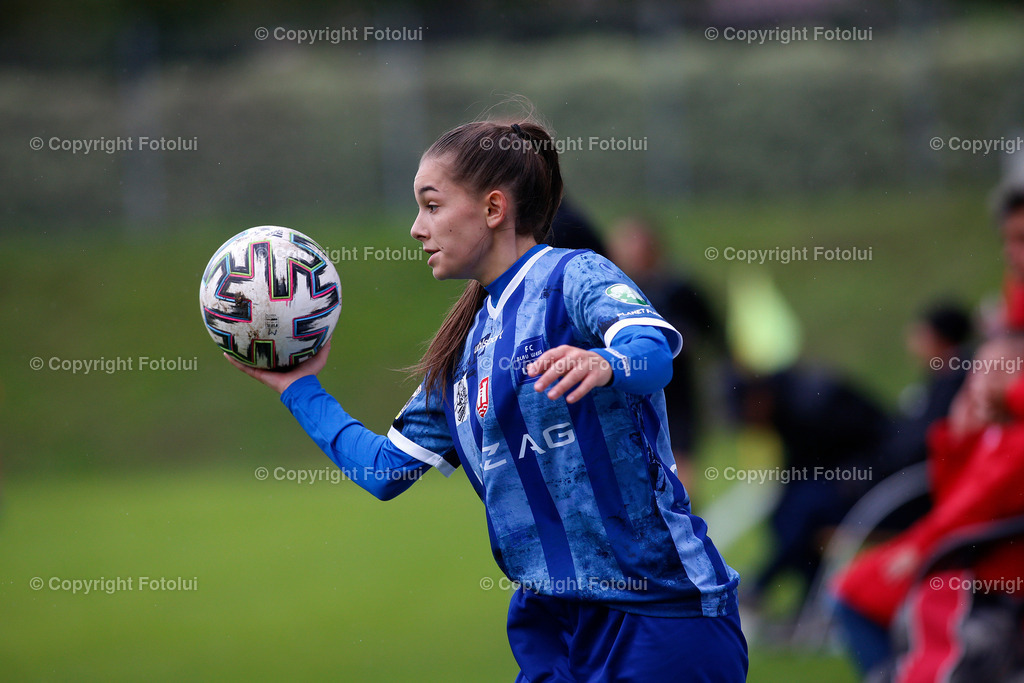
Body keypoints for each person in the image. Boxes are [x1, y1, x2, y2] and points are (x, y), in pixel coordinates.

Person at [227, 117, 747, 681]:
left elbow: (652, 354)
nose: (416, 229)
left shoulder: (574, 274)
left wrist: (606, 362)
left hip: (658, 618)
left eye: (431, 205)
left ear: (493, 209)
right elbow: (383, 471)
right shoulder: (465, 352)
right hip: (552, 631)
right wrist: (298, 389)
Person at [831, 335, 1024, 681]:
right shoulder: (997, 432)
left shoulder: (1015, 439)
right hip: (957, 555)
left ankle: (898, 670)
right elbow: (951, 498)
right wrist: (958, 438)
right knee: (848, 589)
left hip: (975, 572)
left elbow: (971, 509)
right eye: (979, 370)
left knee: (851, 594)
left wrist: (919, 548)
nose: (981, 381)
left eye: (997, 372)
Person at [608, 217, 723, 485]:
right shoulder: (615, 292)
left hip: (677, 391)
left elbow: (712, 328)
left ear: (652, 249)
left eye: (632, 245)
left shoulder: (679, 288)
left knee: (680, 466)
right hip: (632, 389)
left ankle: (686, 519)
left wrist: (688, 340)